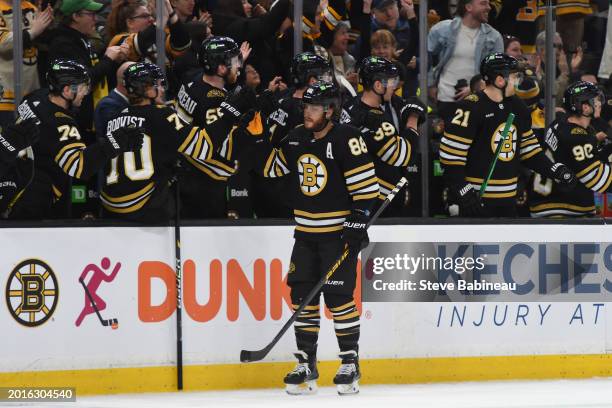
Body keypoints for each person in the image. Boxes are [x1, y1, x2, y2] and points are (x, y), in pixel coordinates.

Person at [259, 81, 378, 395]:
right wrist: (264, 134)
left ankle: (350, 362)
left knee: (339, 299)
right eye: (306, 107)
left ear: (330, 110)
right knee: (302, 300)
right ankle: (306, 363)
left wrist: (358, 221)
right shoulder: (296, 137)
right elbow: (270, 169)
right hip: (305, 236)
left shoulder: (347, 138)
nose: (307, 113)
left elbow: (367, 189)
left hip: (336, 236)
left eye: (313, 108)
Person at [101, 62, 251, 222]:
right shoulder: (162, 115)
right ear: (146, 88)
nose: (162, 89)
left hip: (110, 208)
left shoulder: (114, 118)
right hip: (145, 210)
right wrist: (230, 111)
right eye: (158, 85)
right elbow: (203, 147)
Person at [439, 53, 576, 217]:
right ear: (499, 80)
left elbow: (530, 151)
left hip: (507, 203)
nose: (518, 81)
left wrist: (555, 170)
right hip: (474, 201)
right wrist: (464, 190)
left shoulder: (518, 107)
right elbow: (450, 157)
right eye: (514, 77)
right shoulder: (470, 107)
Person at [10, 59, 143, 219]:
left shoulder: (34, 97)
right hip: (34, 197)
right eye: (83, 88)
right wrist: (114, 142)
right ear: (66, 90)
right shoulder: (60, 124)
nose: (86, 93)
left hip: (14, 180)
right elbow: (80, 167)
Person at [174, 36, 254, 218]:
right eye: (235, 62)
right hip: (203, 180)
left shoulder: (192, 81)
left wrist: (236, 61)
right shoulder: (214, 99)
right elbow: (218, 143)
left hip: (184, 168)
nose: (240, 66)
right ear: (220, 68)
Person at [342, 56, 425, 216]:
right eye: (390, 81)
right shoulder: (377, 119)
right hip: (377, 199)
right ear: (378, 85)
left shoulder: (350, 105)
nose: (393, 86)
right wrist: (413, 119)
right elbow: (402, 156)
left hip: (354, 192)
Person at [530, 81, 612, 217]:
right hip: (563, 208)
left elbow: (570, 156)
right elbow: (598, 180)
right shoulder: (578, 138)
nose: (599, 103)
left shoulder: (559, 122)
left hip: (545, 200)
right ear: (585, 108)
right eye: (595, 100)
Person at [47, 0, 127, 137]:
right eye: (91, 14)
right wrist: (108, 59)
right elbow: (83, 81)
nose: (96, 19)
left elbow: (96, 69)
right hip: (76, 123)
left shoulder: (80, 39)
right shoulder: (63, 44)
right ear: (75, 16)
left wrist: (114, 59)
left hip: (89, 119)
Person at [427, 0, 503, 122]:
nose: (489, 7)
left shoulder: (494, 37)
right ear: (468, 7)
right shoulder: (443, 29)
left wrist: (474, 88)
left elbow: (497, 73)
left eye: (488, 4)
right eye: (483, 3)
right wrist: (430, 85)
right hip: (445, 99)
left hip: (478, 101)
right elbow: (426, 57)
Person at [0, 0, 53, 129]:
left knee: (31, 143)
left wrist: (47, 27)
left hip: (32, 91)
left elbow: (44, 41)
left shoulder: (30, 7)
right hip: (6, 94)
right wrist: (33, 31)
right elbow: (3, 44)